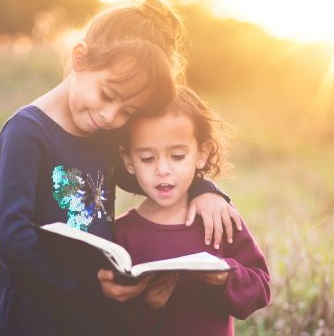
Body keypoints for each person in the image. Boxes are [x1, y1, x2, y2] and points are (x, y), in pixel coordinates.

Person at [0, 0, 242, 336]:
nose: (111, 116)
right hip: (33, 306)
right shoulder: (27, 134)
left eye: (127, 111)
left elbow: (150, 178)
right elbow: (10, 236)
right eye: (108, 95)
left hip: (92, 305)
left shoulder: (103, 134)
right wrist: (89, 283)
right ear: (80, 58)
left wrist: (205, 190)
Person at [114, 86, 271, 336]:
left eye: (177, 156)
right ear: (128, 160)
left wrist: (226, 277)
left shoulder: (218, 218)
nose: (162, 169)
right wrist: (148, 305)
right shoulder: (121, 235)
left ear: (202, 154)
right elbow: (108, 319)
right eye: (147, 158)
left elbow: (260, 288)